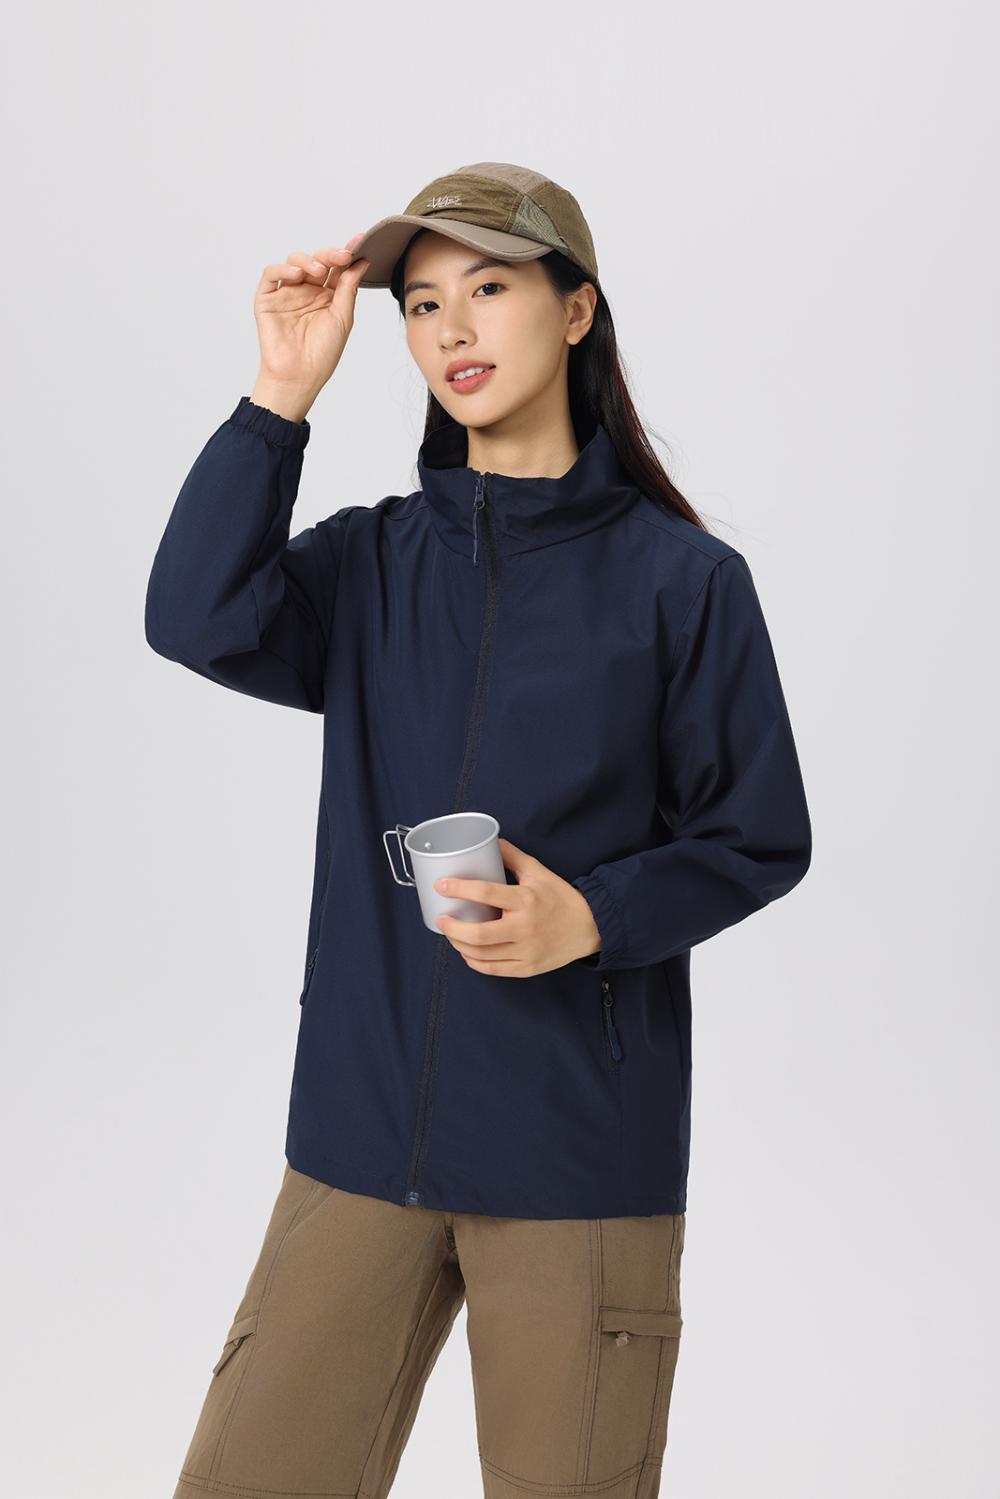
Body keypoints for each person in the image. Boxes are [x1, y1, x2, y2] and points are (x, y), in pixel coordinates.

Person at [146, 161, 812, 1499]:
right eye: (420, 302)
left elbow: (757, 836)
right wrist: (279, 398)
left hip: (577, 1155)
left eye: (490, 288)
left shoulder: (685, 584)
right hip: (361, 1138)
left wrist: (594, 916)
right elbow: (196, 617)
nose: (450, 327)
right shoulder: (370, 567)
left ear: (576, 309)